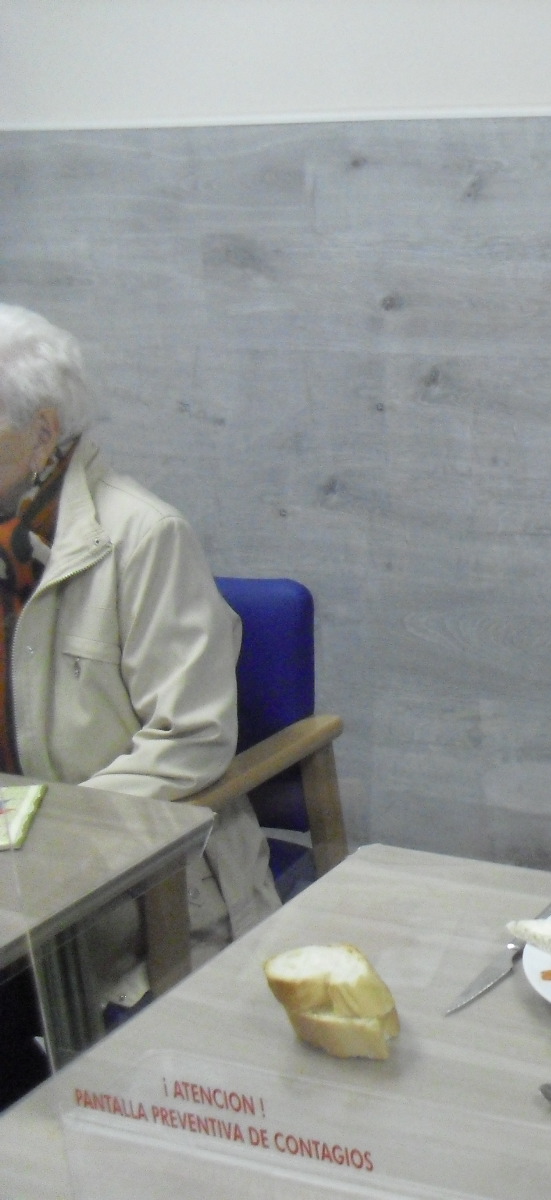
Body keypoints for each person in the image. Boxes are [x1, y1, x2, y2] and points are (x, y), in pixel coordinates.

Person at [0, 304, 279, 1013]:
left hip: (122, 885)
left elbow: (192, 738)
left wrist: (49, 833)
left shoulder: (146, 537)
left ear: (42, 433)